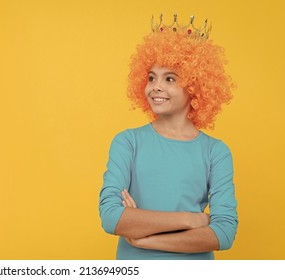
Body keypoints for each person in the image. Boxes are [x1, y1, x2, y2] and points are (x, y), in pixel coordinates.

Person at [98, 14, 238, 260]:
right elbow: (112, 218)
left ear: (195, 85)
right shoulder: (128, 143)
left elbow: (223, 234)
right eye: (151, 77)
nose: (156, 87)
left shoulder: (215, 152)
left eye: (170, 78)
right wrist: (192, 219)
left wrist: (146, 238)